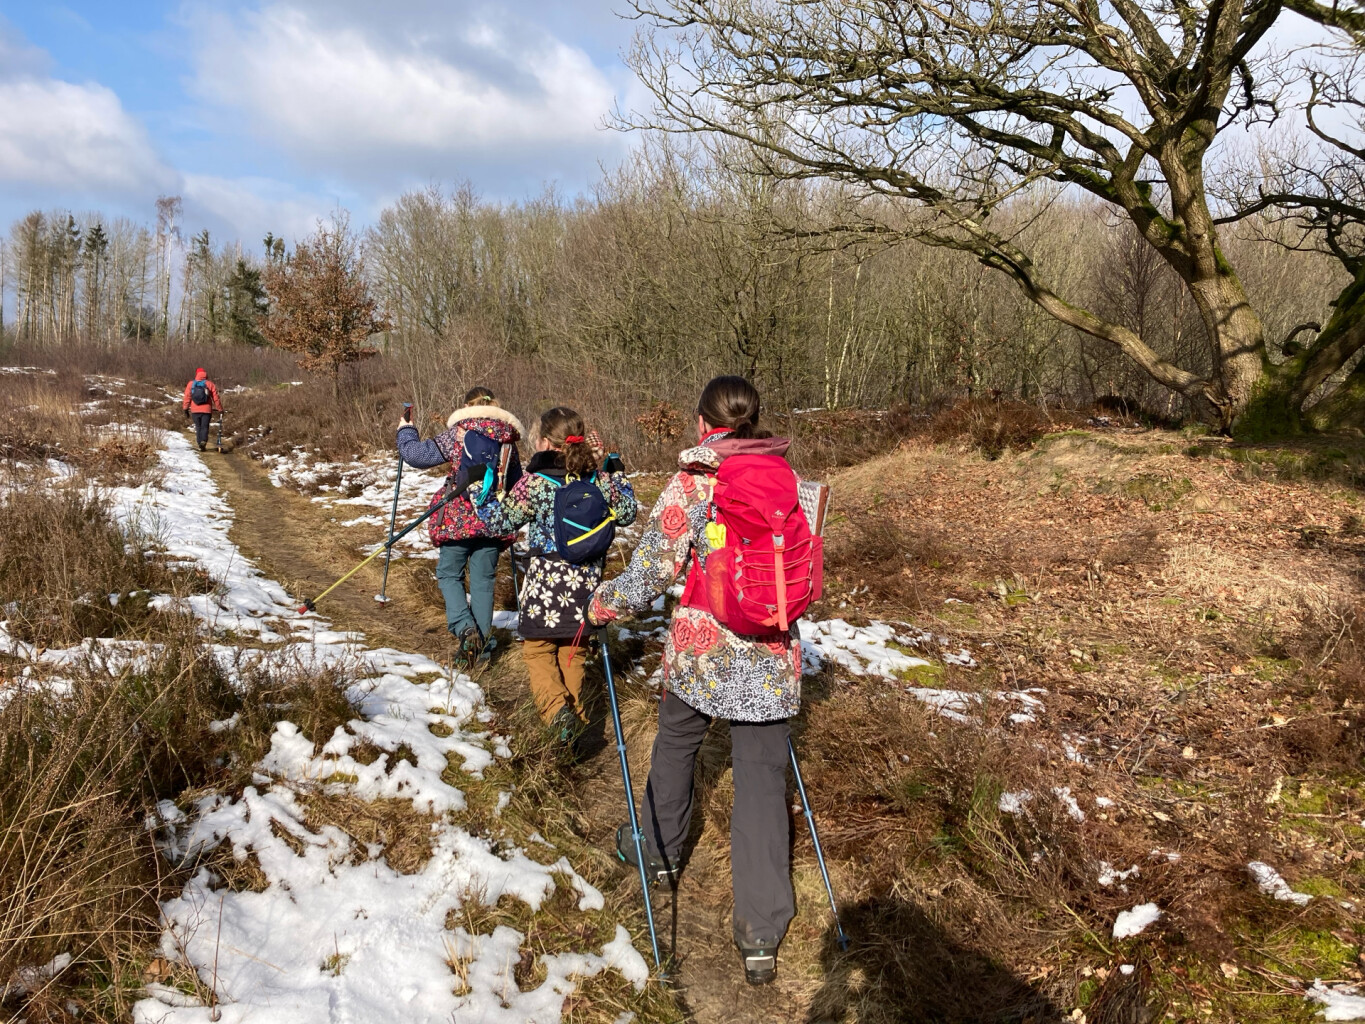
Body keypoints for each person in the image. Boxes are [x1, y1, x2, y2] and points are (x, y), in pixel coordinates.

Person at [588, 375, 803, 987]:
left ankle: (657, 851)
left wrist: (606, 605)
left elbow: (655, 566)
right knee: (762, 780)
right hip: (769, 650)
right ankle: (762, 930)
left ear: (702, 421)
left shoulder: (695, 479)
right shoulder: (784, 475)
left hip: (702, 648)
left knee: (679, 743)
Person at [478, 408, 637, 738]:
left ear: (545, 442)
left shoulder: (535, 484)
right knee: (573, 653)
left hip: (545, 585)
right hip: (587, 586)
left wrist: (483, 492)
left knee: (537, 650)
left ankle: (556, 714)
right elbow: (628, 513)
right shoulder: (600, 481)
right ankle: (575, 726)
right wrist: (618, 474)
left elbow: (498, 522)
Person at [396, 386, 523, 665]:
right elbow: (516, 484)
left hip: (458, 518)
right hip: (494, 521)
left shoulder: (459, 432)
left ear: (466, 406)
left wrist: (406, 430)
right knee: (483, 582)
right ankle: (481, 651)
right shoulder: (508, 438)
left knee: (448, 574)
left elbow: (417, 456)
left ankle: (466, 630)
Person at [182, 368, 223, 452]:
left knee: (198, 427)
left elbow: (187, 397)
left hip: (195, 410)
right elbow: (216, 398)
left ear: (196, 374)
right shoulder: (210, 384)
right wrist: (220, 409)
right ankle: (203, 441)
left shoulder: (191, 384)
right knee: (205, 427)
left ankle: (199, 443)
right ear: (205, 374)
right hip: (206, 410)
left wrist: (185, 409)